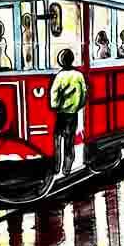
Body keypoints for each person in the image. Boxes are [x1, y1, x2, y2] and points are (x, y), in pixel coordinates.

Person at [49, 48, 88, 176]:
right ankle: (67, 168)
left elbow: (54, 95)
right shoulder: (79, 75)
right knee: (69, 140)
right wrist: (78, 106)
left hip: (61, 113)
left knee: (57, 139)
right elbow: (84, 93)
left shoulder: (60, 76)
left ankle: (56, 166)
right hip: (73, 114)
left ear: (61, 61)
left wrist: (55, 106)